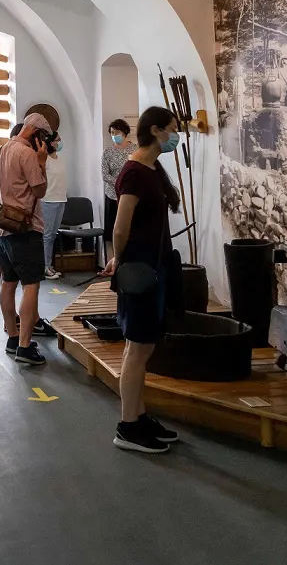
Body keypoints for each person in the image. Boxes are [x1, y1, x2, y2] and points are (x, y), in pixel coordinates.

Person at [99, 106, 184, 453]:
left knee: (144, 346)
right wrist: (119, 258)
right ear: (156, 131)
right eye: (172, 129)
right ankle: (128, 426)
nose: (176, 135)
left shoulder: (151, 168)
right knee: (136, 349)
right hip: (140, 270)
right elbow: (120, 227)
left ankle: (140, 415)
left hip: (156, 266)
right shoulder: (133, 172)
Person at [0, 111, 51, 366]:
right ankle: (25, 347)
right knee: (31, 284)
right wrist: (42, 162)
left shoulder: (0, 151)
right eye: (43, 137)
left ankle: (13, 338)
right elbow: (40, 189)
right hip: (25, 229)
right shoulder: (27, 154)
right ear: (36, 134)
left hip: (3, 226)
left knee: (8, 283)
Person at [40, 131, 67, 280]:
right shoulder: (46, 160)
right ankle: (45, 266)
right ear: (51, 142)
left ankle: (49, 265)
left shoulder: (59, 159)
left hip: (61, 200)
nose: (60, 142)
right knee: (47, 235)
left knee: (52, 236)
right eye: (58, 140)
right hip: (48, 200)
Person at [101, 118, 133, 248]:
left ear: (125, 132)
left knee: (130, 229)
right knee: (113, 230)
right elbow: (105, 174)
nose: (114, 135)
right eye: (112, 132)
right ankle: (114, 257)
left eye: (117, 132)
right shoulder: (107, 152)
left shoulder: (134, 149)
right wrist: (119, 182)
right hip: (112, 195)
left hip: (130, 194)